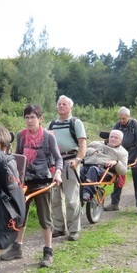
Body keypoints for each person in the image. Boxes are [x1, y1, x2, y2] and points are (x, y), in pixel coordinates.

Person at [0, 105, 63, 267]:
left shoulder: (49, 137)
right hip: (24, 181)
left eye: (33, 117)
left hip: (42, 182)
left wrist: (58, 173)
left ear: (40, 119)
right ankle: (17, 248)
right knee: (20, 215)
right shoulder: (21, 135)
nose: (29, 121)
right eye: (27, 117)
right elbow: (17, 158)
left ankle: (48, 252)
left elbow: (58, 158)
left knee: (44, 218)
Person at [48, 95, 87, 241]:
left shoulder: (75, 122)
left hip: (71, 162)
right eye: (59, 104)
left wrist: (78, 159)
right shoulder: (52, 124)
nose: (61, 106)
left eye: (64, 104)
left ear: (71, 107)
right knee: (56, 198)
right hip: (55, 164)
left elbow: (82, 143)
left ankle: (74, 229)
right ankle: (59, 227)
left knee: (71, 199)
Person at [105, 107, 137, 216]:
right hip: (121, 155)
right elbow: (113, 140)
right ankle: (114, 203)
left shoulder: (135, 125)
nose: (122, 121)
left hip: (133, 155)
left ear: (129, 116)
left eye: (124, 118)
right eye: (120, 118)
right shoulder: (117, 126)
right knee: (117, 178)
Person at [80, 130, 128, 202]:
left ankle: (87, 193)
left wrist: (116, 162)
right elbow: (83, 149)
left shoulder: (122, 152)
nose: (113, 139)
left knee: (93, 169)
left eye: (116, 138)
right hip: (87, 165)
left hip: (105, 171)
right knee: (77, 171)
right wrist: (91, 151)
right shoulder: (96, 143)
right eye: (111, 137)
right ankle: (77, 191)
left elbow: (124, 171)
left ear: (121, 140)